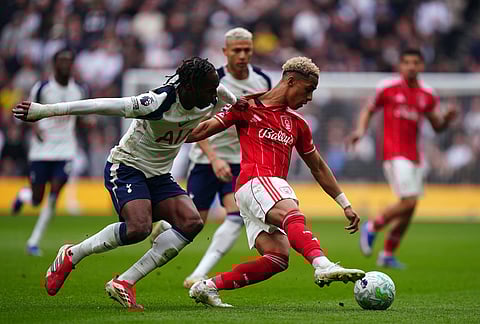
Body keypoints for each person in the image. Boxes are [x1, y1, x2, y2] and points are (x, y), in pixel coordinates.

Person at [13, 57, 245, 309]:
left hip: (159, 175)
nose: (213, 95)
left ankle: (124, 282)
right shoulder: (156, 102)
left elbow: (225, 94)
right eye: (209, 89)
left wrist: (240, 103)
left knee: (191, 223)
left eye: (215, 88)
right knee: (138, 228)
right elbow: (100, 105)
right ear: (190, 86)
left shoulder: (211, 93)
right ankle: (72, 253)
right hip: (126, 167)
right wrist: (44, 111)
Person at [184, 56, 365, 307]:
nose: (310, 98)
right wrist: (165, 128)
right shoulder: (246, 107)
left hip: (259, 193)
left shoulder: (298, 124)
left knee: (277, 258)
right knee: (292, 211)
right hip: (256, 180)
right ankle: (322, 264)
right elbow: (201, 131)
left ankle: (208, 286)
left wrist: (344, 203)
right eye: (308, 90)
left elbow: (319, 167)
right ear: (291, 81)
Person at [150, 27, 272, 289]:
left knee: (236, 215)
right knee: (194, 222)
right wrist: (215, 158)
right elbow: (195, 124)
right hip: (205, 160)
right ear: (225, 51)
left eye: (246, 50)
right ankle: (163, 224)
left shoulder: (262, 81)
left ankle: (199, 273)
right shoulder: (210, 80)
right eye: (236, 50)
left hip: (241, 162)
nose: (242, 55)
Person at [347, 48, 457, 269]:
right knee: (409, 200)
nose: (411, 66)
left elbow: (437, 126)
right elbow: (368, 110)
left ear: (422, 66)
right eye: (406, 62)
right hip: (393, 153)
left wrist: (446, 119)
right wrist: (360, 130)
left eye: (415, 62)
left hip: (415, 156)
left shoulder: (427, 94)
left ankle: (387, 254)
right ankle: (372, 226)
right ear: (400, 65)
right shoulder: (387, 88)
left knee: (410, 207)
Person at [11, 48, 88, 256]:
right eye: (61, 60)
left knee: (54, 195)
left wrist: (88, 124)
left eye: (69, 60)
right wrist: (35, 129)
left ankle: (33, 241)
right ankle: (24, 195)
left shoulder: (79, 90)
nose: (65, 64)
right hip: (42, 149)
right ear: (54, 64)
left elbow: (81, 117)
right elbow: (28, 112)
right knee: (37, 198)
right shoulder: (42, 87)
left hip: (66, 150)